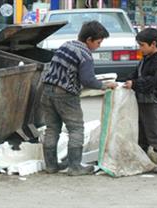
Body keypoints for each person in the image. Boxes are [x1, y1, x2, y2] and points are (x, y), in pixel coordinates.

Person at [41, 20, 117, 176]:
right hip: (66, 94)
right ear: (89, 40)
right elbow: (88, 80)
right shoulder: (85, 55)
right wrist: (104, 85)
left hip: (47, 90)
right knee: (76, 129)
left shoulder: (66, 45)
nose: (99, 46)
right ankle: (75, 167)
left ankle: (51, 165)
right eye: (98, 42)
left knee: (52, 128)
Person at [123, 28, 157, 174]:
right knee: (142, 133)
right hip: (142, 102)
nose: (140, 48)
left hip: (153, 104)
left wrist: (135, 84)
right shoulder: (145, 58)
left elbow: (151, 82)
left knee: (156, 133)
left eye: (142, 45)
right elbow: (137, 73)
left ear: (153, 44)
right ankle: (142, 159)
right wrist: (127, 80)